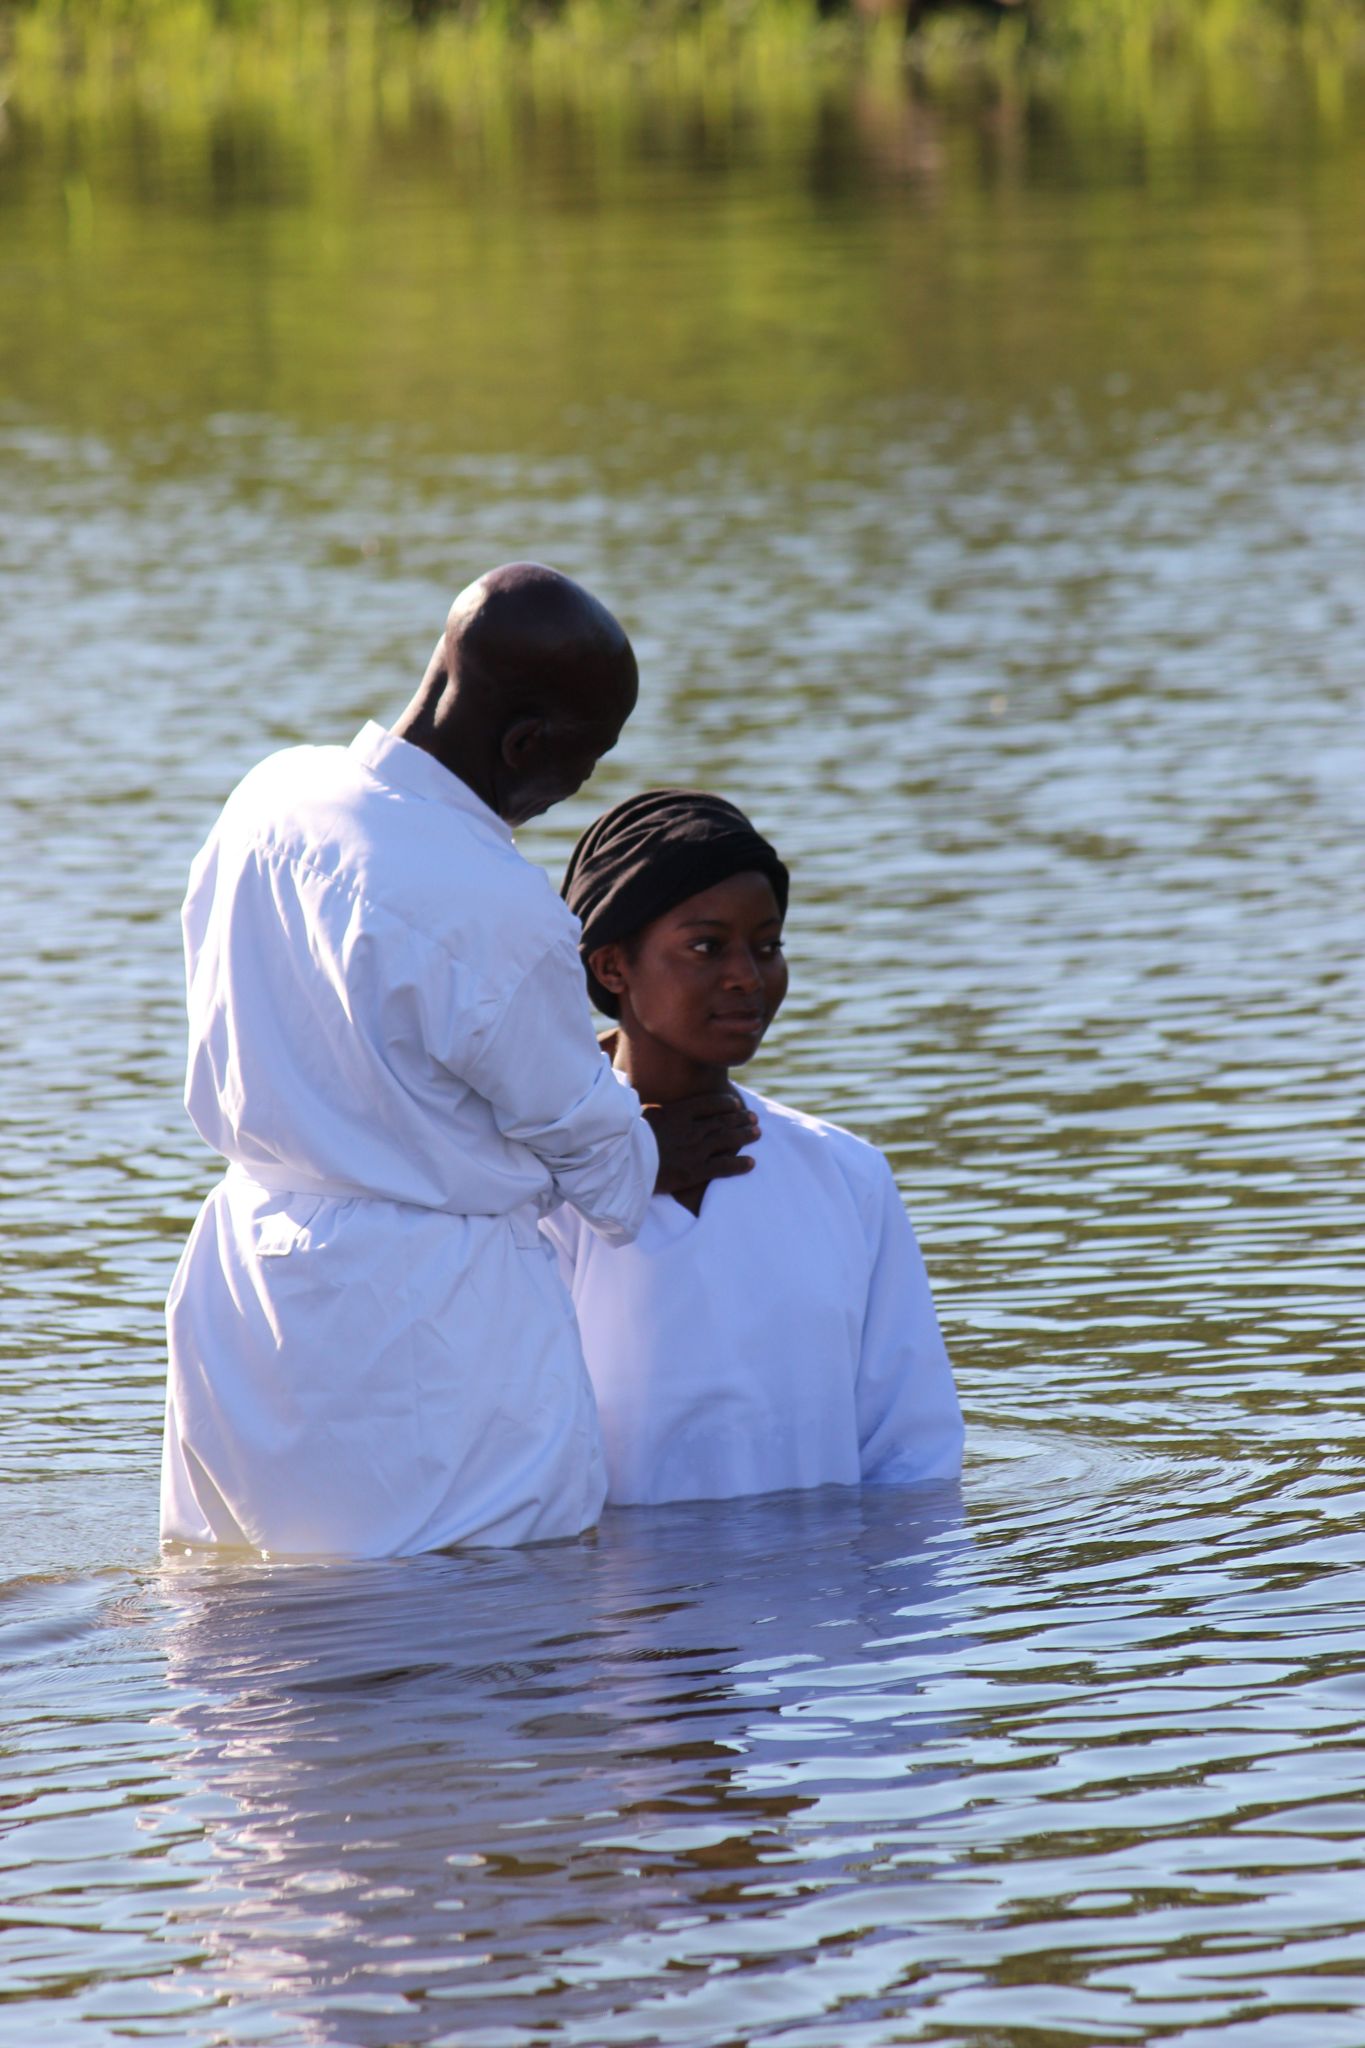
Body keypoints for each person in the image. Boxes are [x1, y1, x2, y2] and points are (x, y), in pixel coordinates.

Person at [161, 567, 759, 1559]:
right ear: (527, 744)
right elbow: (605, 1169)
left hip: (245, 1282)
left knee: (254, 1643)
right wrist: (657, 1147)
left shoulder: (271, 793)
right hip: (421, 1319)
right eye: (586, 757)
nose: (581, 786)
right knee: (487, 1632)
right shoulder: (496, 905)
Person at [542, 789, 964, 1506]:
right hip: (615, 1607)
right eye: (706, 946)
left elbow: (910, 1451)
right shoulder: (532, 1185)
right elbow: (507, 1451)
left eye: (766, 946)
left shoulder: (844, 1174)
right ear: (612, 967)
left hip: (812, 1604)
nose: (747, 975)